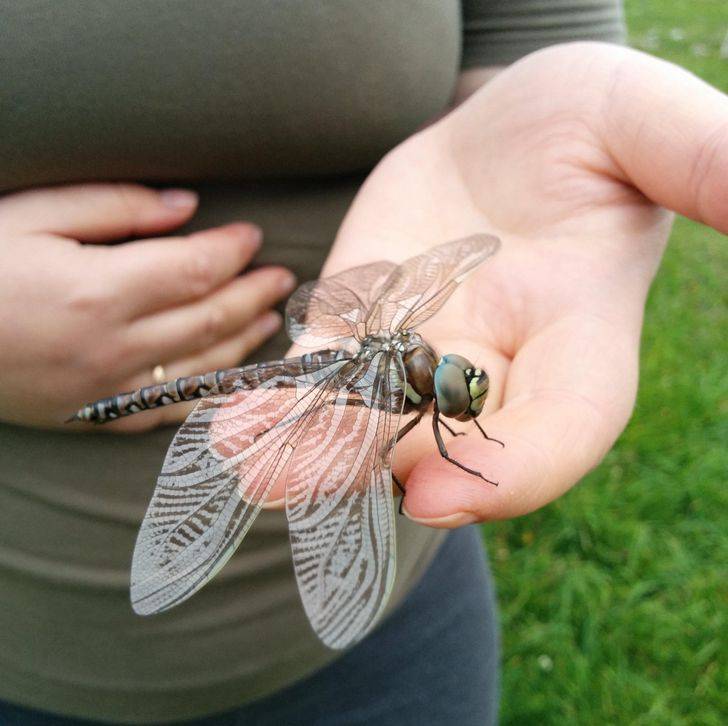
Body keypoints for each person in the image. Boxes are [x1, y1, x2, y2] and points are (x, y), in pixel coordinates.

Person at [1, 2, 726, 724]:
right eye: (459, 390)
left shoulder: (410, 348)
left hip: (407, 631)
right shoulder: (392, 392)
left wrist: (547, 101)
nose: (463, 389)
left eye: (460, 386)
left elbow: (531, 26)